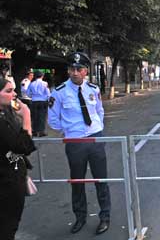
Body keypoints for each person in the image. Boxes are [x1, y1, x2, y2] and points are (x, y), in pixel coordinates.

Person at [48, 52, 111, 235]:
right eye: (71, 69)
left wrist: (96, 130)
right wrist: (69, 131)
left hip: (95, 138)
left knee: (101, 180)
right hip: (75, 142)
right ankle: (80, 217)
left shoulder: (93, 89)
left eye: (79, 69)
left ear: (85, 71)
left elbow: (99, 111)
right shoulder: (58, 92)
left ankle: (105, 216)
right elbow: (53, 120)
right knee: (77, 181)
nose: (75, 73)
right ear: (68, 70)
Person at [0, 78, 36, 240]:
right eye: (8, 91)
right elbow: (24, 146)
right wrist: (26, 116)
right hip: (7, 183)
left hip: (13, 177)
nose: (14, 94)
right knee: (8, 227)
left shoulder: (5, 113)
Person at [27, 71, 50, 137]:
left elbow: (28, 93)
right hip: (43, 101)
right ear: (42, 76)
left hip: (34, 101)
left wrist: (32, 96)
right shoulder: (45, 83)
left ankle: (34, 131)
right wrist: (48, 99)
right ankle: (41, 132)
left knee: (34, 116)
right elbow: (48, 93)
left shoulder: (31, 83)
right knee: (42, 116)